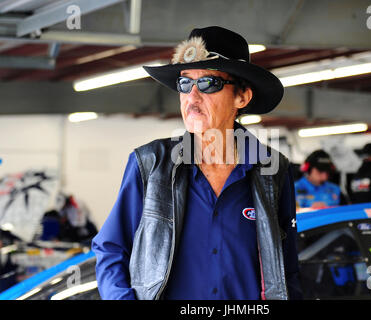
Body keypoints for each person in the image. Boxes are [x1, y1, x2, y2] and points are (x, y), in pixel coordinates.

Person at [92, 26, 302, 300]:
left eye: (208, 83)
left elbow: (287, 269)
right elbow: (111, 249)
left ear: (242, 96)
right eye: (184, 83)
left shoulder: (274, 171)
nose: (192, 97)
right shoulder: (149, 165)